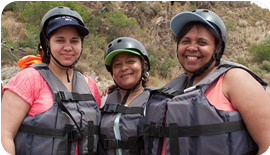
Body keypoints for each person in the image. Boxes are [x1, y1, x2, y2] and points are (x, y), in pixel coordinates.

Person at [143, 9, 270, 155]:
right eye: (185, 41)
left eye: (202, 42)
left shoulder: (235, 79)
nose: (191, 48)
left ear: (218, 48)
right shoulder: (176, 85)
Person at [1, 6, 101, 155]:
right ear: (47, 43)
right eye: (60, 40)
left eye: (74, 41)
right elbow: (4, 135)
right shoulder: (29, 79)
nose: (68, 47)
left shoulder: (90, 85)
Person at [99, 37, 154, 155]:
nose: (124, 68)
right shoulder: (104, 99)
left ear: (143, 65)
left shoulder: (155, 100)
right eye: (117, 64)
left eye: (130, 61)